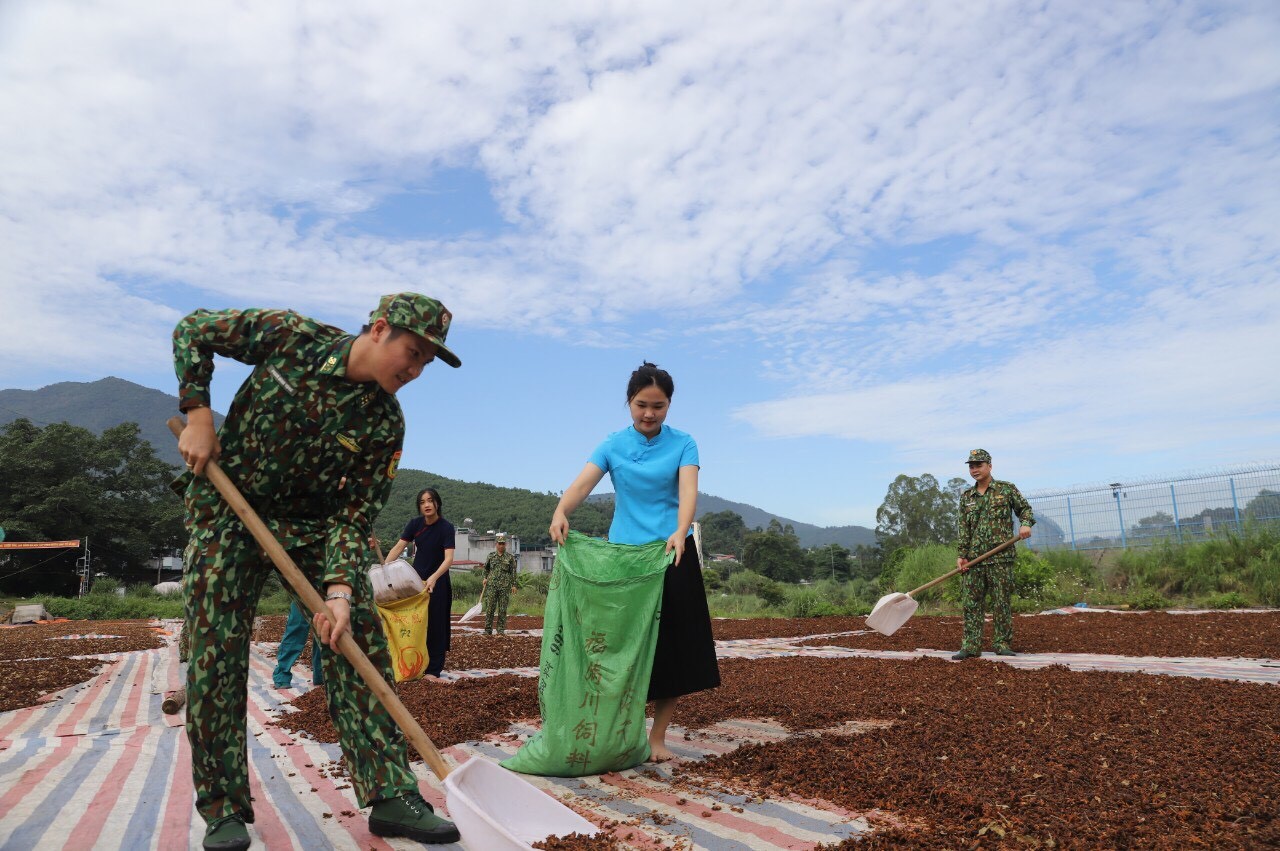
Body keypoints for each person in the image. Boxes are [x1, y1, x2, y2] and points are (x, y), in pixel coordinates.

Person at [174, 293, 462, 850]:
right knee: (215, 654)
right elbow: (195, 330)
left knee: (358, 643)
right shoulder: (292, 337)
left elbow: (352, 516)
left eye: (427, 362)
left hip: (312, 529)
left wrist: (339, 592)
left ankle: (391, 796)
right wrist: (199, 415)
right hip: (228, 512)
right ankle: (224, 810)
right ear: (379, 329)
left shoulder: (383, 423)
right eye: (413, 352)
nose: (416, 369)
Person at [549, 362, 720, 762]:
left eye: (658, 406)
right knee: (618, 646)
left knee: (671, 647)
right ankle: (615, 730)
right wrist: (561, 511)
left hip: (670, 553)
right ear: (628, 402)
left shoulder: (684, 443)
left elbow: (689, 490)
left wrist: (681, 531)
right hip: (624, 561)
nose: (649, 413)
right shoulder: (611, 445)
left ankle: (656, 737)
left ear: (669, 405)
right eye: (642, 404)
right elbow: (581, 485)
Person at [954, 448, 1035, 660]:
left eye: (978, 465)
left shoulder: (1006, 490)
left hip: (1001, 558)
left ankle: (1002, 643)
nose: (974, 470)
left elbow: (1025, 510)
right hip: (975, 560)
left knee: (1001, 603)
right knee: (971, 604)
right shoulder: (966, 498)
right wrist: (962, 555)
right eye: (971, 466)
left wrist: (1025, 524)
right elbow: (964, 529)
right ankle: (970, 646)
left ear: (990, 465)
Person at [382, 488, 454, 677]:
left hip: (438, 581)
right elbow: (398, 547)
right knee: (415, 622)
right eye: (422, 502)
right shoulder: (415, 524)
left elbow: (448, 559)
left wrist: (434, 578)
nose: (427, 505)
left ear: (437, 503)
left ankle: (433, 669)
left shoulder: (446, 528)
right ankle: (412, 663)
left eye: (430, 501)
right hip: (415, 582)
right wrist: (383, 570)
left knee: (436, 624)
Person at [272, 600, 325, 689]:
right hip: (304, 590)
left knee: (324, 628)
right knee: (297, 627)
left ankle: (321, 675)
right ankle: (282, 675)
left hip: (328, 591)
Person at [481, 534, 518, 635]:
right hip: (492, 586)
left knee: (502, 608)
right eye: (499, 544)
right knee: (490, 608)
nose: (501, 546)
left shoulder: (510, 558)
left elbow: (513, 572)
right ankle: (488, 629)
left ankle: (500, 629)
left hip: (504, 587)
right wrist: (484, 578)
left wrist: (514, 585)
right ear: (496, 544)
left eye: (503, 544)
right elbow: (486, 569)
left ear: (505, 545)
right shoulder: (491, 556)